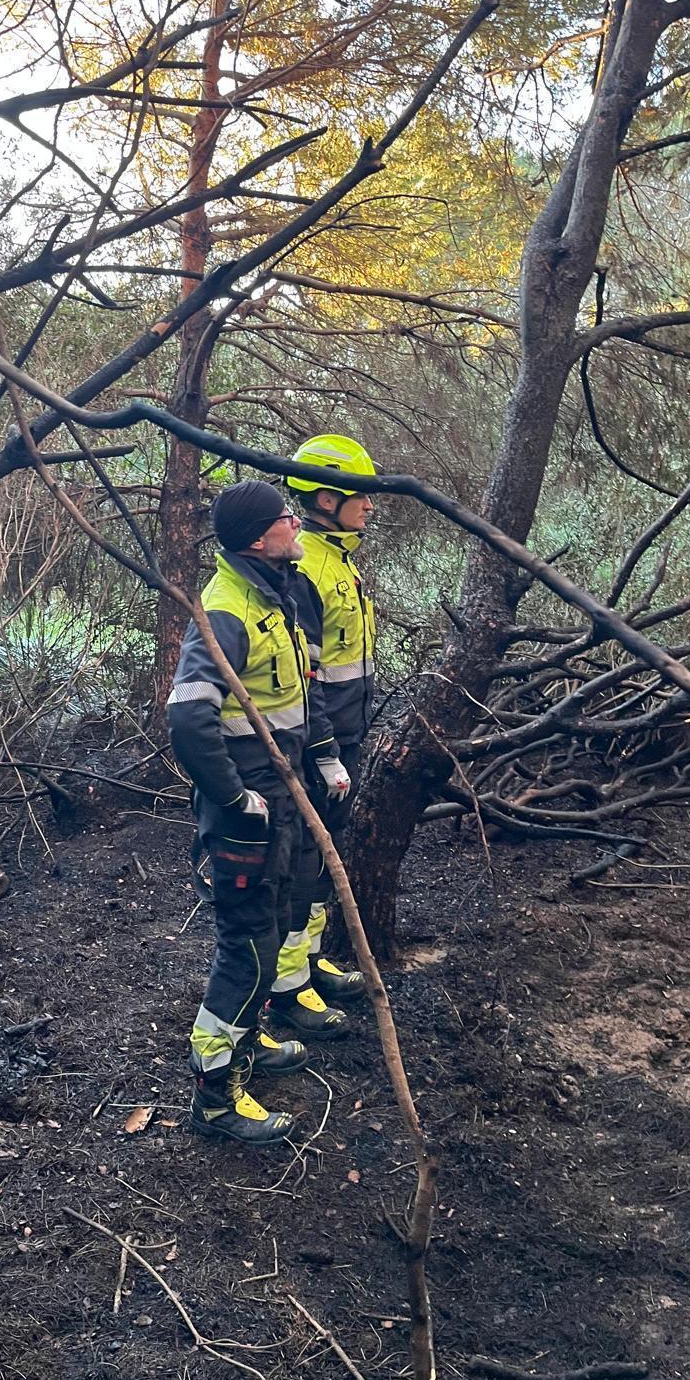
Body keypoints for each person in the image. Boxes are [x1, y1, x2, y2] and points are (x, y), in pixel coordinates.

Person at [167, 479, 347, 1144]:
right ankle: (214, 1099)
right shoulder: (227, 611)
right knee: (245, 951)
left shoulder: (278, 597)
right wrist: (235, 799)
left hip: (283, 799)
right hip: (246, 812)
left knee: (274, 928)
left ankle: (251, 1044)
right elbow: (189, 717)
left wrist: (324, 758)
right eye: (284, 517)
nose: (296, 522)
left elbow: (303, 697)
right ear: (255, 537)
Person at [281, 434, 378, 1012]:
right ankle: (288, 988)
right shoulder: (305, 571)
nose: (369, 504)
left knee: (325, 856)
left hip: (347, 732)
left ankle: (312, 963)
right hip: (321, 740)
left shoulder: (336, 558)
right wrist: (323, 749)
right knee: (304, 858)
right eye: (359, 495)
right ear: (324, 500)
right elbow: (303, 676)